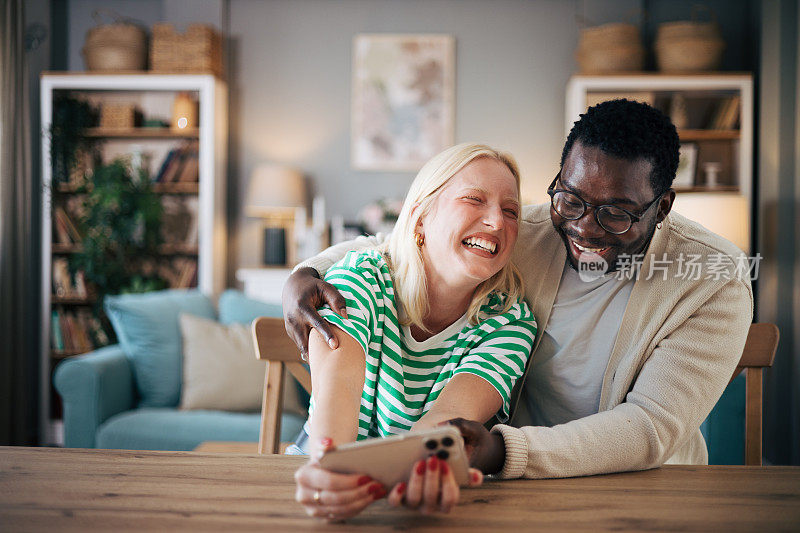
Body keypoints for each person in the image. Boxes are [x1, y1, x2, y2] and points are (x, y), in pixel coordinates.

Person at [287, 99, 752, 512]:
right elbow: (397, 246)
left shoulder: (714, 279)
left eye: (616, 213)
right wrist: (304, 275)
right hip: (511, 491)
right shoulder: (526, 228)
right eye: (571, 199)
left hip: (638, 490)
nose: (585, 229)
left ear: (663, 206)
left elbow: (649, 428)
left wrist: (498, 451)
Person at [292, 143, 538, 519]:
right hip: (316, 470)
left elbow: (452, 415)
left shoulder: (510, 320)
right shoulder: (358, 280)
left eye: (511, 211)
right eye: (475, 200)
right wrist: (330, 471)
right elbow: (337, 391)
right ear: (421, 216)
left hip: (411, 481)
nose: (497, 222)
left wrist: (413, 471)